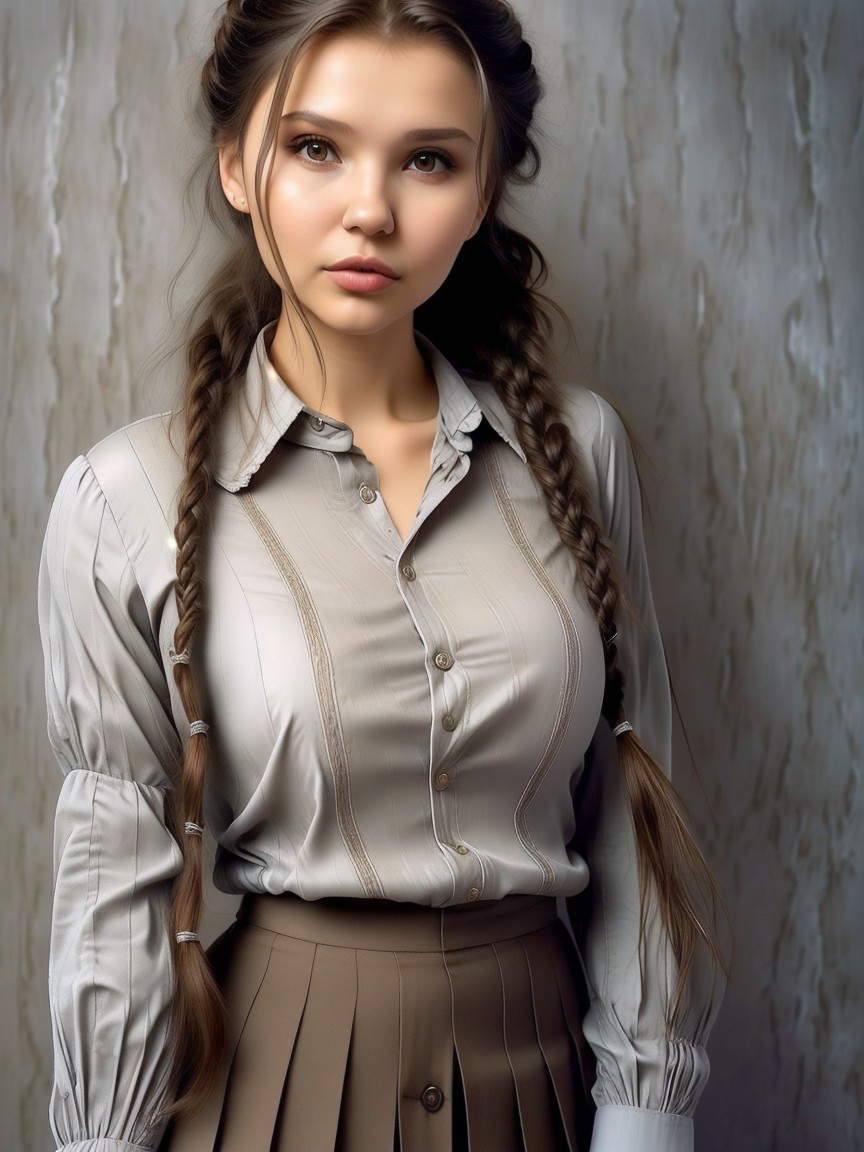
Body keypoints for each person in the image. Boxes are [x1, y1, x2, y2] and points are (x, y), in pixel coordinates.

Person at [38, 2, 726, 1150]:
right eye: (316, 147)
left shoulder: (579, 451)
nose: (371, 210)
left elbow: (633, 821)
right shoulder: (124, 500)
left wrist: (647, 1121)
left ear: (483, 189)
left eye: (428, 160)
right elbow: (114, 900)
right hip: (274, 1083)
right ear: (236, 164)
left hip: (548, 1087)